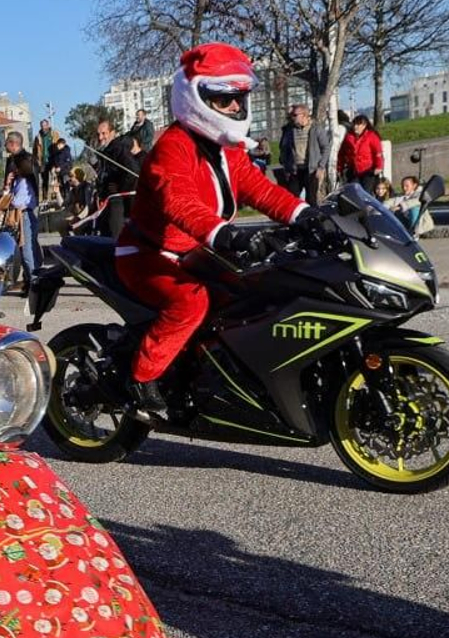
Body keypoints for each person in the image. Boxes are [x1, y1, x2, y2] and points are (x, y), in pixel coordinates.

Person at [115, 43, 335, 423]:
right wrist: (227, 235)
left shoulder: (224, 146)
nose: (236, 107)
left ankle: (215, 373)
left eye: (240, 98)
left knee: (253, 291)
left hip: (195, 251)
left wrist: (306, 215)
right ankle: (141, 381)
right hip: (150, 254)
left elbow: (256, 186)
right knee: (192, 303)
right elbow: (178, 203)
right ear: (196, 98)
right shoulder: (173, 147)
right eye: (225, 99)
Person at [1, 134, 40, 292]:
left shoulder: (24, 168)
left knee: (27, 251)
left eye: (7, 143)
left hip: (25, 213)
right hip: (23, 213)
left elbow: (20, 199)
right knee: (26, 251)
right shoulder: (19, 174)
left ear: (13, 144)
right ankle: (29, 281)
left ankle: (35, 283)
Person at [92, 117, 136, 238]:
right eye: (98, 134)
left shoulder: (119, 149)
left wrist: (120, 188)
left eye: (103, 133)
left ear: (112, 133)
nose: (100, 137)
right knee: (105, 237)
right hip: (105, 201)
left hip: (116, 203)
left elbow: (133, 171)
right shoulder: (106, 152)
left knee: (114, 239)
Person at [336, 114, 384, 194]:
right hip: (354, 171)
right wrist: (339, 168)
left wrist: (379, 167)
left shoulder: (371, 136)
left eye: (358, 124)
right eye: (354, 124)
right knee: (355, 193)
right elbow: (341, 154)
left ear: (364, 125)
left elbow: (378, 153)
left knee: (366, 193)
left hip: (368, 171)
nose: (355, 126)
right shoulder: (348, 137)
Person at [304, 107, 332, 205]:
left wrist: (321, 166)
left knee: (311, 196)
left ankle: (313, 216)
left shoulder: (317, 130)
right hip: (298, 168)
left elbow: (326, 147)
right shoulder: (293, 130)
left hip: (312, 168)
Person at [46, 135, 74, 203]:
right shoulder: (56, 152)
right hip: (58, 174)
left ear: (63, 144)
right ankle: (63, 201)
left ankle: (68, 201)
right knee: (60, 187)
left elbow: (69, 163)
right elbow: (53, 161)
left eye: (59, 145)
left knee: (66, 187)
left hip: (65, 172)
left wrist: (60, 167)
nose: (57, 146)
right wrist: (52, 167)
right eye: (57, 145)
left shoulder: (66, 152)